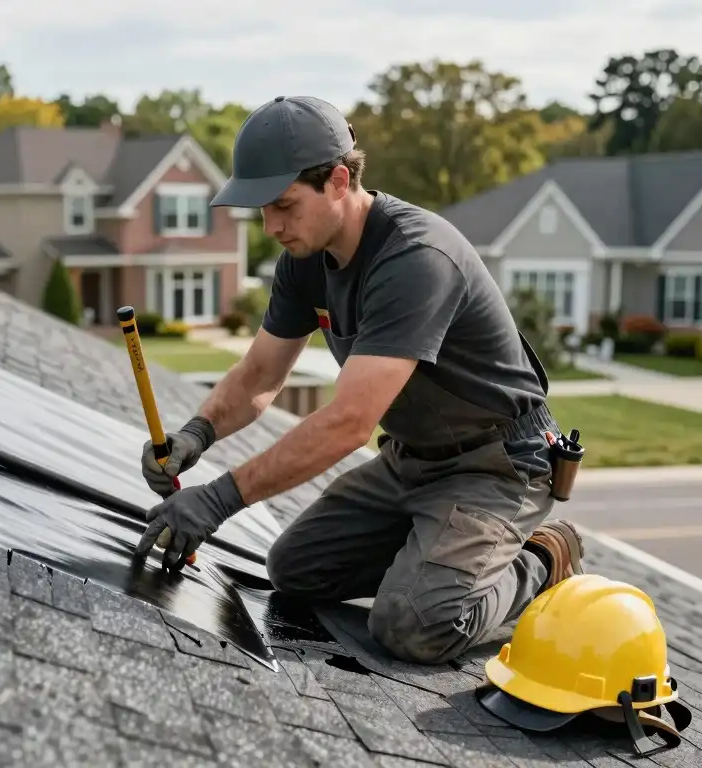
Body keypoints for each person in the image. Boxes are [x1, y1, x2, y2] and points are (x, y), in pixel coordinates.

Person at [133, 95, 585, 665]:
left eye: (284, 205)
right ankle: (437, 552)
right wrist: (194, 436)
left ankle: (542, 558)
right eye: (262, 211)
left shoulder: (416, 258)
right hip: (412, 460)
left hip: (497, 465)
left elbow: (349, 423)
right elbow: (258, 374)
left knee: (413, 626)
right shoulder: (304, 259)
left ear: (340, 180)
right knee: (294, 572)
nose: (271, 227)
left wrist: (219, 500)